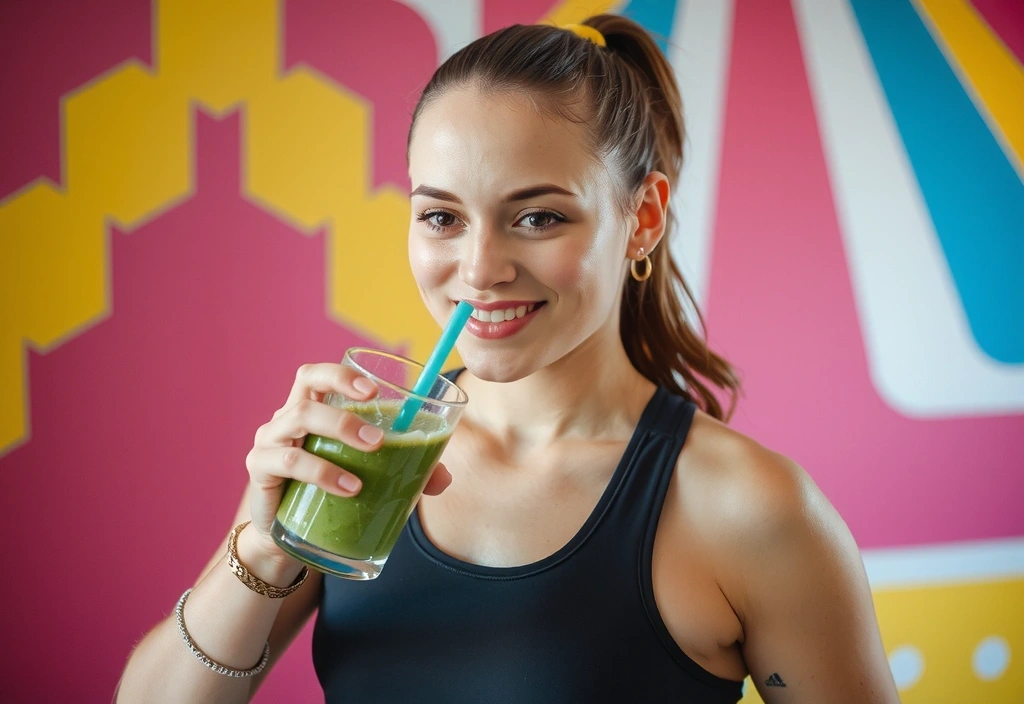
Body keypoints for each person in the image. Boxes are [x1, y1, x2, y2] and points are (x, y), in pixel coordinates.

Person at [116, 15, 901, 704]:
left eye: (536, 216)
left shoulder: (753, 511)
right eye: (442, 216)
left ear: (644, 218)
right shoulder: (359, 451)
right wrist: (258, 547)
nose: (480, 267)